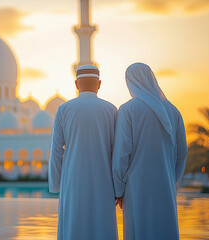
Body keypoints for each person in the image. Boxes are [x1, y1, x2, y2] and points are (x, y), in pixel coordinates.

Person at [112, 63, 187, 240]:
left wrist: (118, 191)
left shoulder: (128, 110)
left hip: (136, 188)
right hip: (165, 186)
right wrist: (171, 179)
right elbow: (182, 153)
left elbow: (122, 154)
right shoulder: (173, 111)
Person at [49, 65, 118, 240]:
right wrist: (119, 187)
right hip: (104, 181)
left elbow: (56, 150)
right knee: (102, 226)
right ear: (99, 84)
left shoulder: (64, 110)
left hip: (73, 181)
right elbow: (117, 152)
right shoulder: (111, 110)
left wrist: (56, 185)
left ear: (76, 84)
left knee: (74, 225)